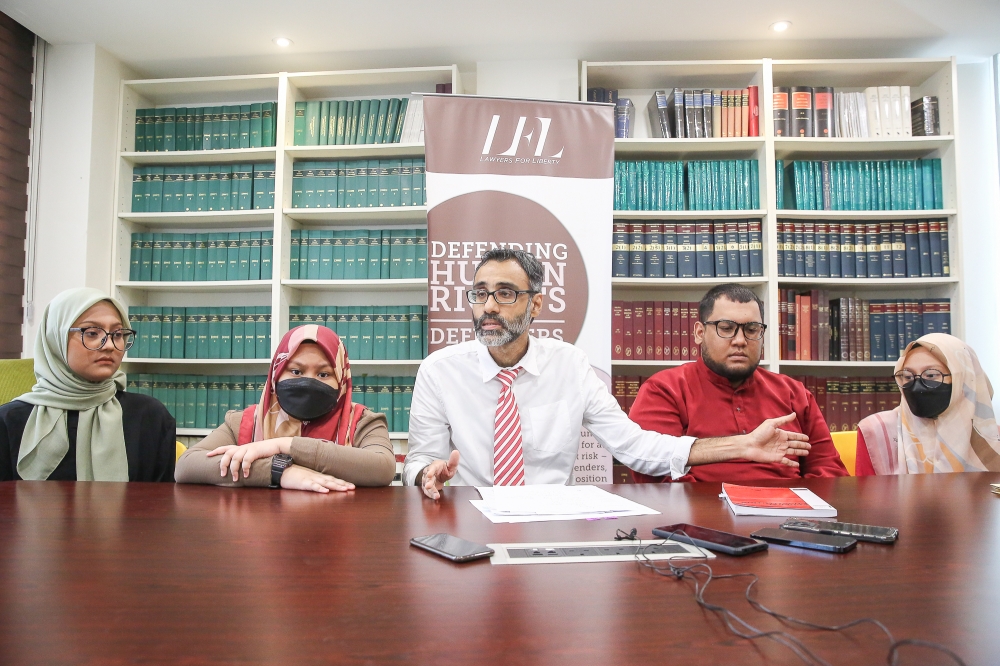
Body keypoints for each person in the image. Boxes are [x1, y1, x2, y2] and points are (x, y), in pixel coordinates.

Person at [404, 249, 811, 499]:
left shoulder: (570, 366)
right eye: (480, 293)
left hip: (548, 527)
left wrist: (740, 446)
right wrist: (426, 473)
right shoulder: (439, 372)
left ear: (537, 305)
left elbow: (634, 446)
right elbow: (421, 458)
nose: (489, 306)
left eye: (506, 294)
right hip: (466, 516)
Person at [627, 283, 848, 482]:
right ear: (699, 332)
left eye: (752, 330)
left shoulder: (794, 393)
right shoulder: (664, 390)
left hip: (787, 518)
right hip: (702, 519)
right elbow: (654, 474)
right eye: (726, 328)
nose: (740, 341)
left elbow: (829, 472)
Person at [175, 324, 395, 491]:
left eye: (323, 374)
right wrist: (278, 470)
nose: (308, 382)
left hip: (337, 534)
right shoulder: (244, 422)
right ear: (276, 374)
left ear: (341, 380)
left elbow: (382, 467)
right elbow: (187, 466)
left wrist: (284, 445)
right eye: (296, 372)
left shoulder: (363, 421)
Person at [0, 288, 175, 482]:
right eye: (92, 333)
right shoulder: (10, 421)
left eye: (117, 334)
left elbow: (161, 504)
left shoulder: (150, 416)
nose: (109, 345)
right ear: (55, 338)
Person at [856, 333, 1000, 475]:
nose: (917, 386)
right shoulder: (876, 431)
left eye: (931, 375)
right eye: (908, 376)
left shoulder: (993, 438)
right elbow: (864, 496)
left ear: (963, 380)